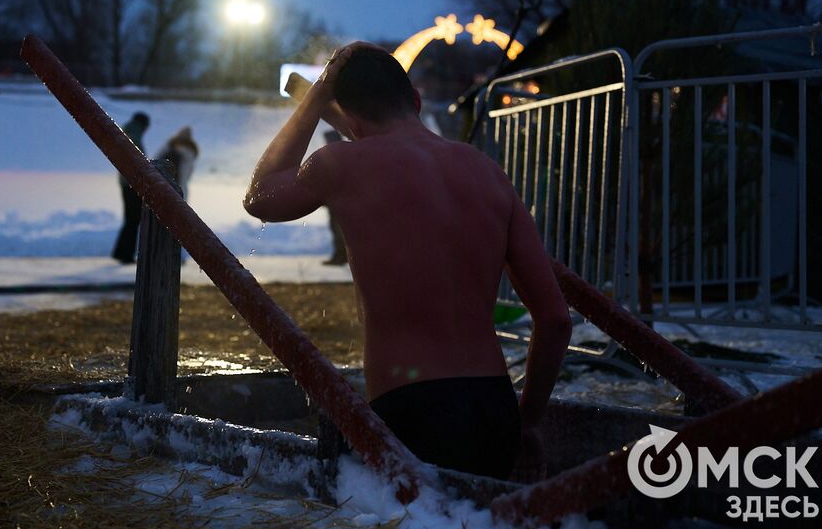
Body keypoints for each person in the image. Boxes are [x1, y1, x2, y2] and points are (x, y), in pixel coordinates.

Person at [243, 43, 571, 481]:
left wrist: (316, 98)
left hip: (410, 407)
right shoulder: (487, 171)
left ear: (347, 116)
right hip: (495, 408)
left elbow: (261, 195)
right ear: (415, 100)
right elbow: (555, 320)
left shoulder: (341, 163)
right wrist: (527, 422)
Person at [112, 112, 150, 264]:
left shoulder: (127, 132)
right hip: (131, 183)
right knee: (133, 219)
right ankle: (125, 254)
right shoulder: (134, 136)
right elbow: (137, 161)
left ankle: (121, 252)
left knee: (130, 219)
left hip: (126, 182)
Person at [321, 129, 348, 266]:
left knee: (340, 231)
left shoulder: (337, 156)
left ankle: (341, 257)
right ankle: (341, 256)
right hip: (337, 202)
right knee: (338, 230)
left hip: (340, 203)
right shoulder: (341, 155)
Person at [155, 126, 199, 199]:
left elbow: (156, 159)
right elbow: (188, 174)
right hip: (179, 187)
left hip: (160, 184)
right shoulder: (190, 153)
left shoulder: (169, 148)